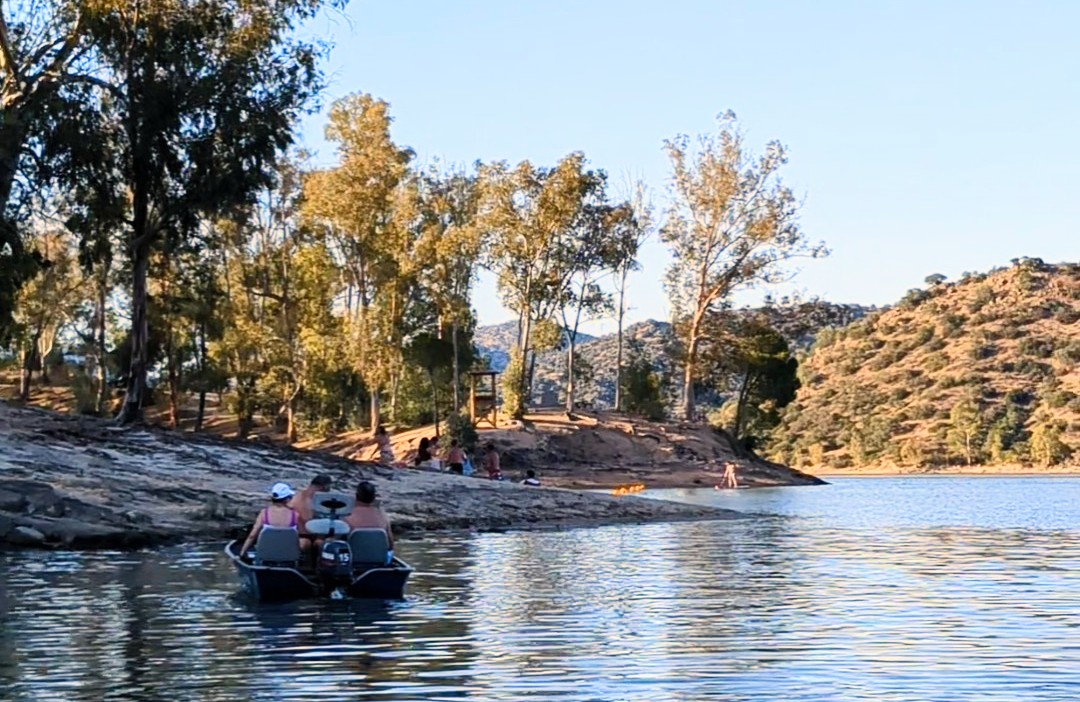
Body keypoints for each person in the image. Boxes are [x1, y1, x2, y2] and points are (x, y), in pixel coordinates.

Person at [240, 482, 300, 555]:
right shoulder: (295, 515)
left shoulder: (264, 513)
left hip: (266, 554)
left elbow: (252, 536)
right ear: (287, 499)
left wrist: (242, 552)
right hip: (288, 554)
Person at [344, 481, 394, 562]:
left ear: (356, 496)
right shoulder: (382, 518)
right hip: (379, 561)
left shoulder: (346, 517)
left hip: (352, 561)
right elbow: (390, 546)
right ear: (374, 498)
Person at [291, 474, 333, 549]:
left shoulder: (296, 496)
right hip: (305, 535)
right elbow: (308, 520)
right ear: (323, 487)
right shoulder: (309, 499)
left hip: (300, 534)